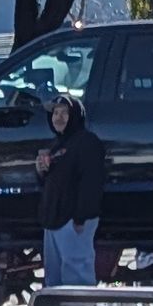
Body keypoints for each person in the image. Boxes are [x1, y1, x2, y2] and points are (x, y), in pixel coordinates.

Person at [36, 92, 106, 288]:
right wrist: (41, 171)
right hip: (53, 222)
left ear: (75, 116)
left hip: (74, 221)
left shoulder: (87, 143)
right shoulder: (57, 145)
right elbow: (52, 183)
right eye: (55, 113)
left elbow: (92, 183)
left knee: (77, 276)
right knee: (54, 280)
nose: (58, 117)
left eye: (64, 113)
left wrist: (81, 217)